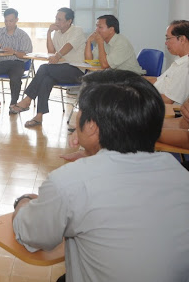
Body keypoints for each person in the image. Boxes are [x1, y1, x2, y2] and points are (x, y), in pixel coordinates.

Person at [12, 70, 189, 282]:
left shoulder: (70, 182)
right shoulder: (179, 173)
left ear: (91, 125)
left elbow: (32, 235)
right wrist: (94, 154)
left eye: (80, 109)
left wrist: (23, 202)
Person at [10, 8, 86, 128]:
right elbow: (51, 51)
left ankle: (28, 99)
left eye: (60, 19)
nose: (56, 22)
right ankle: (39, 116)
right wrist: (49, 33)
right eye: (56, 19)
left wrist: (57, 56)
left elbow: (68, 46)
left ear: (69, 21)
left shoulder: (77, 31)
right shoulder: (57, 33)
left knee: (44, 68)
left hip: (76, 70)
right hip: (60, 69)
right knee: (46, 80)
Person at [148, 20, 189, 104]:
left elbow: (168, 100)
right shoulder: (179, 61)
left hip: (161, 107)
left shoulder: (185, 67)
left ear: (182, 39)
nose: (166, 43)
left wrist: (140, 94)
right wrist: (135, 80)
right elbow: (158, 80)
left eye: (168, 38)